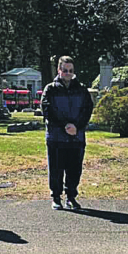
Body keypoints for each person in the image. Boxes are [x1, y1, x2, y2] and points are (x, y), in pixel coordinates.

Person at [40, 55, 94, 210]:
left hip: (76, 137)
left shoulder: (81, 89)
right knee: (56, 169)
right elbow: (47, 110)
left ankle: (71, 197)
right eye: (65, 70)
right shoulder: (50, 89)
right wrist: (65, 125)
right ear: (59, 70)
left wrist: (77, 126)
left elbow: (87, 109)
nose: (68, 74)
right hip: (57, 137)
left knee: (74, 170)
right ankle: (56, 197)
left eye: (70, 70)